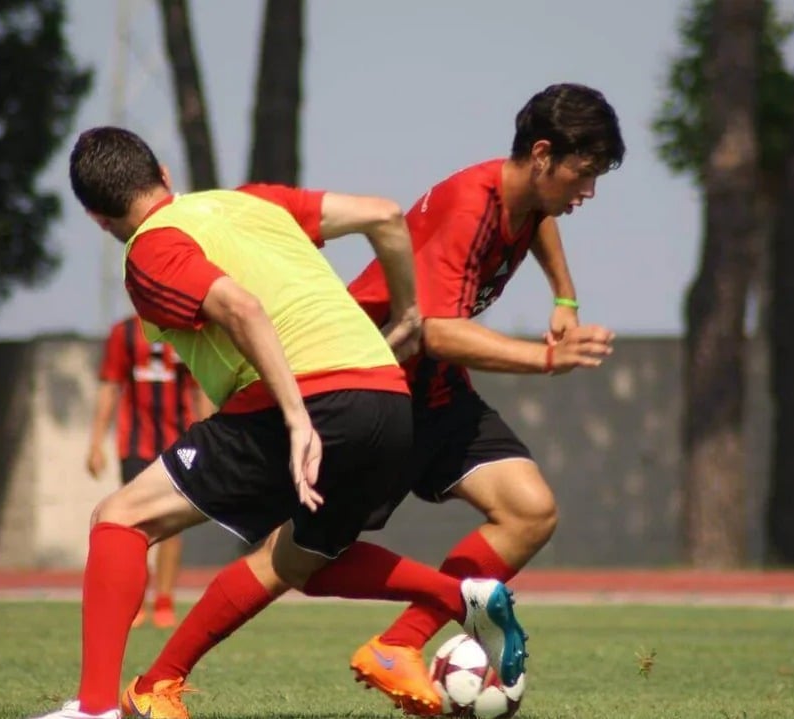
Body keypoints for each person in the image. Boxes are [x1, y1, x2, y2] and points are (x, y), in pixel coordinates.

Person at [121, 82, 624, 719]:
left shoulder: (527, 199)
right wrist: (548, 358)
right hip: (370, 388)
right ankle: (158, 680)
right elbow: (438, 329)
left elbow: (539, 222)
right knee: (293, 562)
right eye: (585, 174)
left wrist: (564, 299)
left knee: (529, 511)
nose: (590, 192)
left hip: (435, 390)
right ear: (544, 155)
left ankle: (400, 643)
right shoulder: (472, 204)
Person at [27, 126, 527, 719]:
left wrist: (296, 418)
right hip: (389, 397)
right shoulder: (250, 201)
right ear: (162, 172)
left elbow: (241, 307)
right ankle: (465, 595)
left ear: (95, 216)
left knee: (119, 518)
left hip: (308, 399)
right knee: (302, 563)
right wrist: (410, 314)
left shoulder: (151, 250)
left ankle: (94, 710)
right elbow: (386, 216)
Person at [87, 315, 207, 629]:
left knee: (172, 523)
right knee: (133, 524)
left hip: (180, 442)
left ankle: (164, 599)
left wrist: (209, 438)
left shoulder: (186, 329)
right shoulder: (123, 332)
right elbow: (110, 386)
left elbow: (200, 389)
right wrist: (96, 442)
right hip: (135, 444)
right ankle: (135, 601)